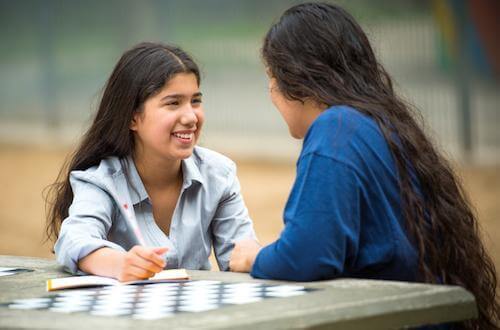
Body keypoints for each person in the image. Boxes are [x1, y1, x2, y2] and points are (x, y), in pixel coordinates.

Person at [229, 3, 499, 329]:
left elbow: (307, 256)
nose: (271, 92)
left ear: (293, 79)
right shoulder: (383, 123)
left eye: (271, 78)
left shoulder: (335, 130)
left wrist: (255, 256)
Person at [45, 42, 255, 282]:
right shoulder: (102, 181)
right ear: (132, 117)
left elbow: (241, 257)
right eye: (173, 103)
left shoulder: (219, 174)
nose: (190, 117)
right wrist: (118, 264)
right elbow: (74, 240)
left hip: (197, 315)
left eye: (195, 101)